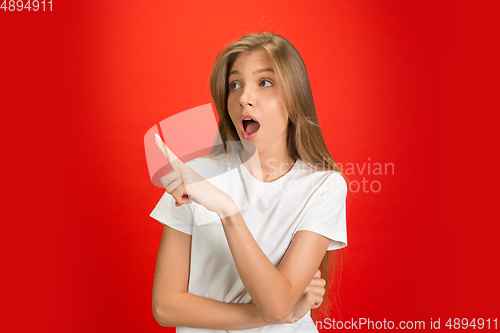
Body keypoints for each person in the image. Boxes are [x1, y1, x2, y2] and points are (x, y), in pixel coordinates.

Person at [150, 32, 348, 332]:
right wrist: (277, 314)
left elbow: (276, 303)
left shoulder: (324, 186)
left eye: (264, 82)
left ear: (294, 98)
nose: (244, 97)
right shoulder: (191, 176)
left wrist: (227, 210)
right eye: (235, 85)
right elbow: (166, 306)